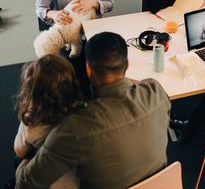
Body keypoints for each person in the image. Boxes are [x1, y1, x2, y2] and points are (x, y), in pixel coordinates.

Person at [16, 32, 171, 188]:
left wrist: (24, 164)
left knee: (20, 161)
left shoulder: (75, 128)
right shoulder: (155, 91)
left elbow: (26, 182)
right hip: (165, 183)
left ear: (88, 70)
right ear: (127, 65)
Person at [14, 54, 84, 189]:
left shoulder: (32, 121)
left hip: (43, 182)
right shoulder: (83, 111)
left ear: (33, 91)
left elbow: (20, 151)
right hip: (77, 182)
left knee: (19, 160)